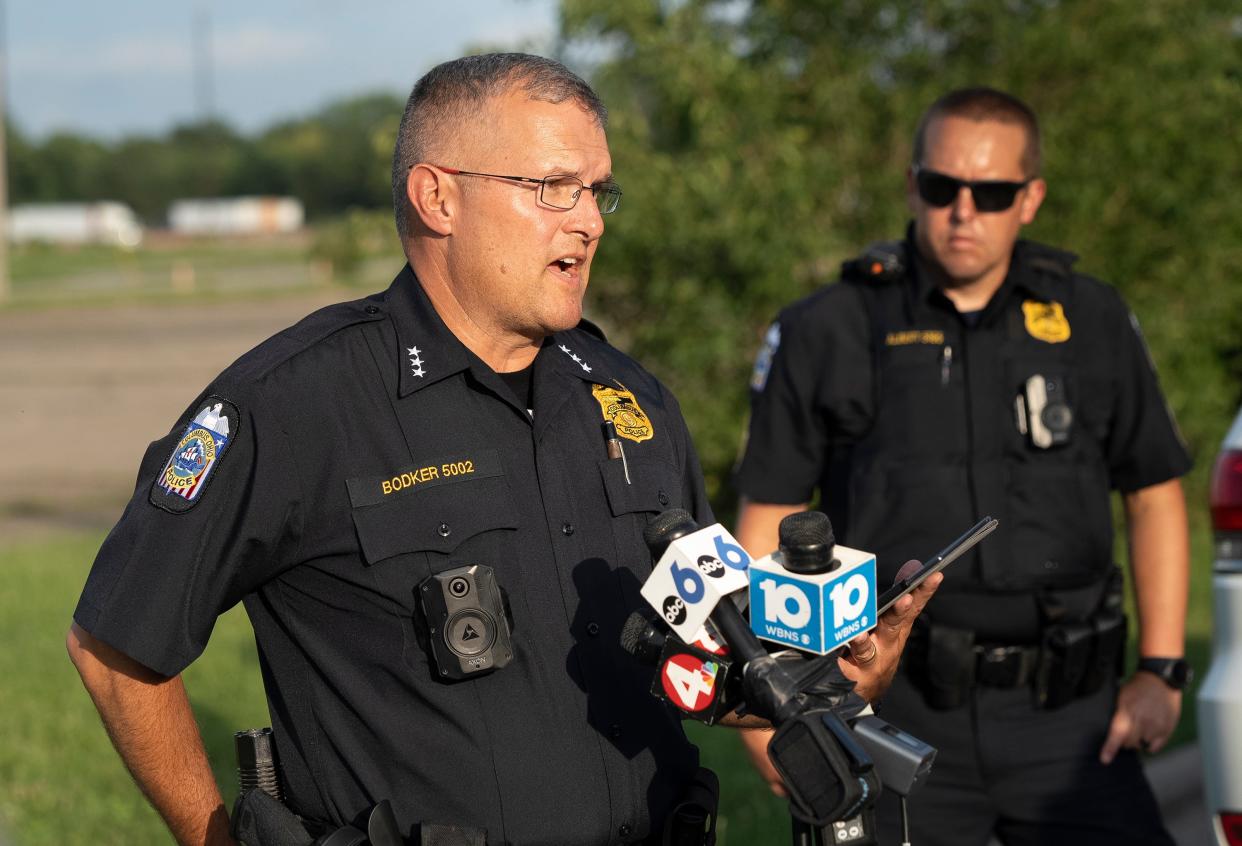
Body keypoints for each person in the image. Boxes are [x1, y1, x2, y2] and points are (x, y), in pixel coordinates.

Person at [66, 54, 936, 846]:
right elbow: (115, 651)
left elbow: (701, 670)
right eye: (554, 187)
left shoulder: (629, 400)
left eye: (599, 191)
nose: (589, 221)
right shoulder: (296, 403)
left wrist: (834, 683)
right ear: (437, 197)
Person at [733, 87, 1191, 845]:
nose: (964, 211)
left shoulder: (1092, 319)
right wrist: (768, 704)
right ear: (914, 185)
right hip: (884, 706)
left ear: (1031, 198)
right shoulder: (830, 326)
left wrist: (1163, 671)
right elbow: (765, 520)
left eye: (993, 192)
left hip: (1069, 720)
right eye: (943, 187)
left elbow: (1153, 493)